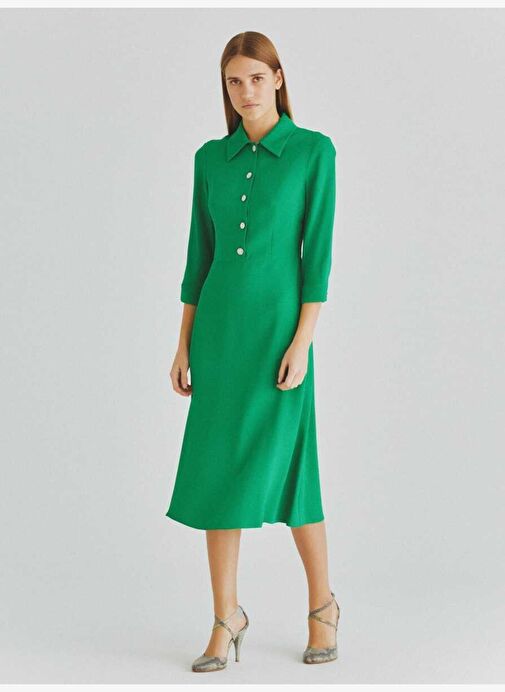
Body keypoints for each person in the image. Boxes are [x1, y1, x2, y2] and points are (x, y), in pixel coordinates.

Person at [166, 31, 340, 671]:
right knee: (218, 475)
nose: (245, 92)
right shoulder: (210, 158)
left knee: (295, 474)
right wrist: (183, 343)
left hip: (278, 340)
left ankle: (323, 607)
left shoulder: (312, 151)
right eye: (234, 82)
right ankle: (225, 618)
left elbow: (317, 257)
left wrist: (303, 341)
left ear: (278, 78)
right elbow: (199, 257)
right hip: (218, 338)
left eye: (256, 79)